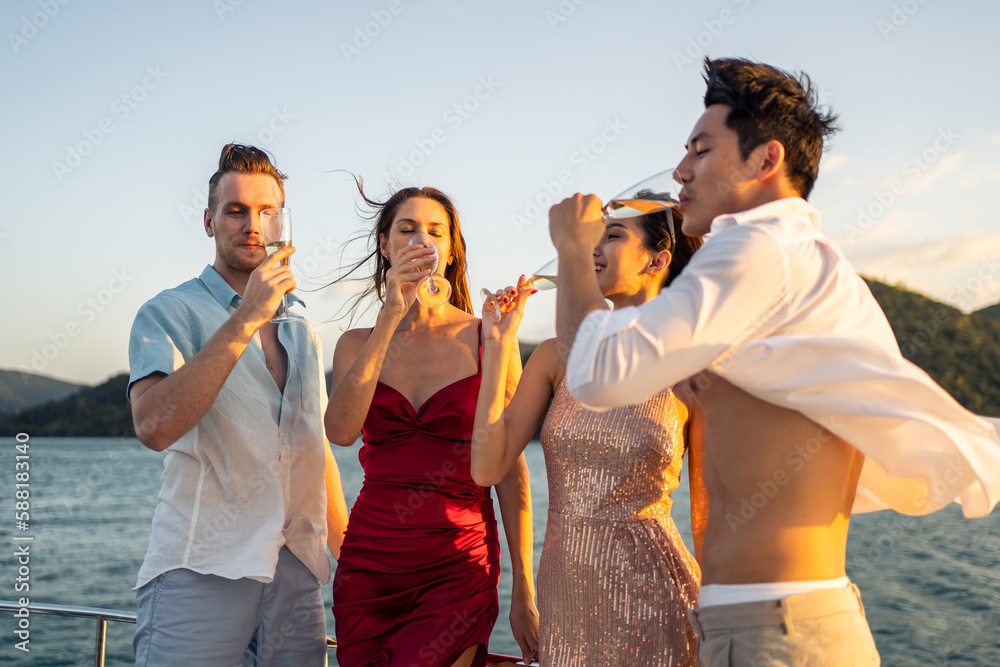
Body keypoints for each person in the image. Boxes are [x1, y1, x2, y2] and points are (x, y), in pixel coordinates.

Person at [548, 57, 1000, 667]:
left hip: (780, 628)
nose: (680, 171)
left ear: (766, 160)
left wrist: (574, 252)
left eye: (702, 151)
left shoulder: (762, 244)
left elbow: (596, 374)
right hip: (768, 623)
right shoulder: (788, 266)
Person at [127, 143, 349, 666]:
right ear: (209, 221)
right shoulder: (167, 312)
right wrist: (246, 317)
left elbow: (314, 452)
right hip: (201, 568)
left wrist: (353, 562)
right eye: (236, 210)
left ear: (282, 223)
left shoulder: (302, 329)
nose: (253, 224)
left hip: (295, 573)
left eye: (267, 211)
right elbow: (153, 425)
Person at [472, 207, 706, 666]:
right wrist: (498, 346)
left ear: (657, 260)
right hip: (567, 592)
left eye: (612, 236)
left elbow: (708, 512)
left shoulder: (691, 363)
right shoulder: (557, 355)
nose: (592, 248)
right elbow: (487, 467)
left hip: (658, 592)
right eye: (590, 237)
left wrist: (728, 613)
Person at [325, 184, 538, 667]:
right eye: (407, 229)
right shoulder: (355, 343)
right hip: (370, 564)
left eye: (435, 231)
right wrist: (391, 313)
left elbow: (509, 469)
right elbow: (339, 430)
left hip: (458, 561)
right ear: (385, 245)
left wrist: (524, 587)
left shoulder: (491, 338)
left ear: (450, 250)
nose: (422, 240)